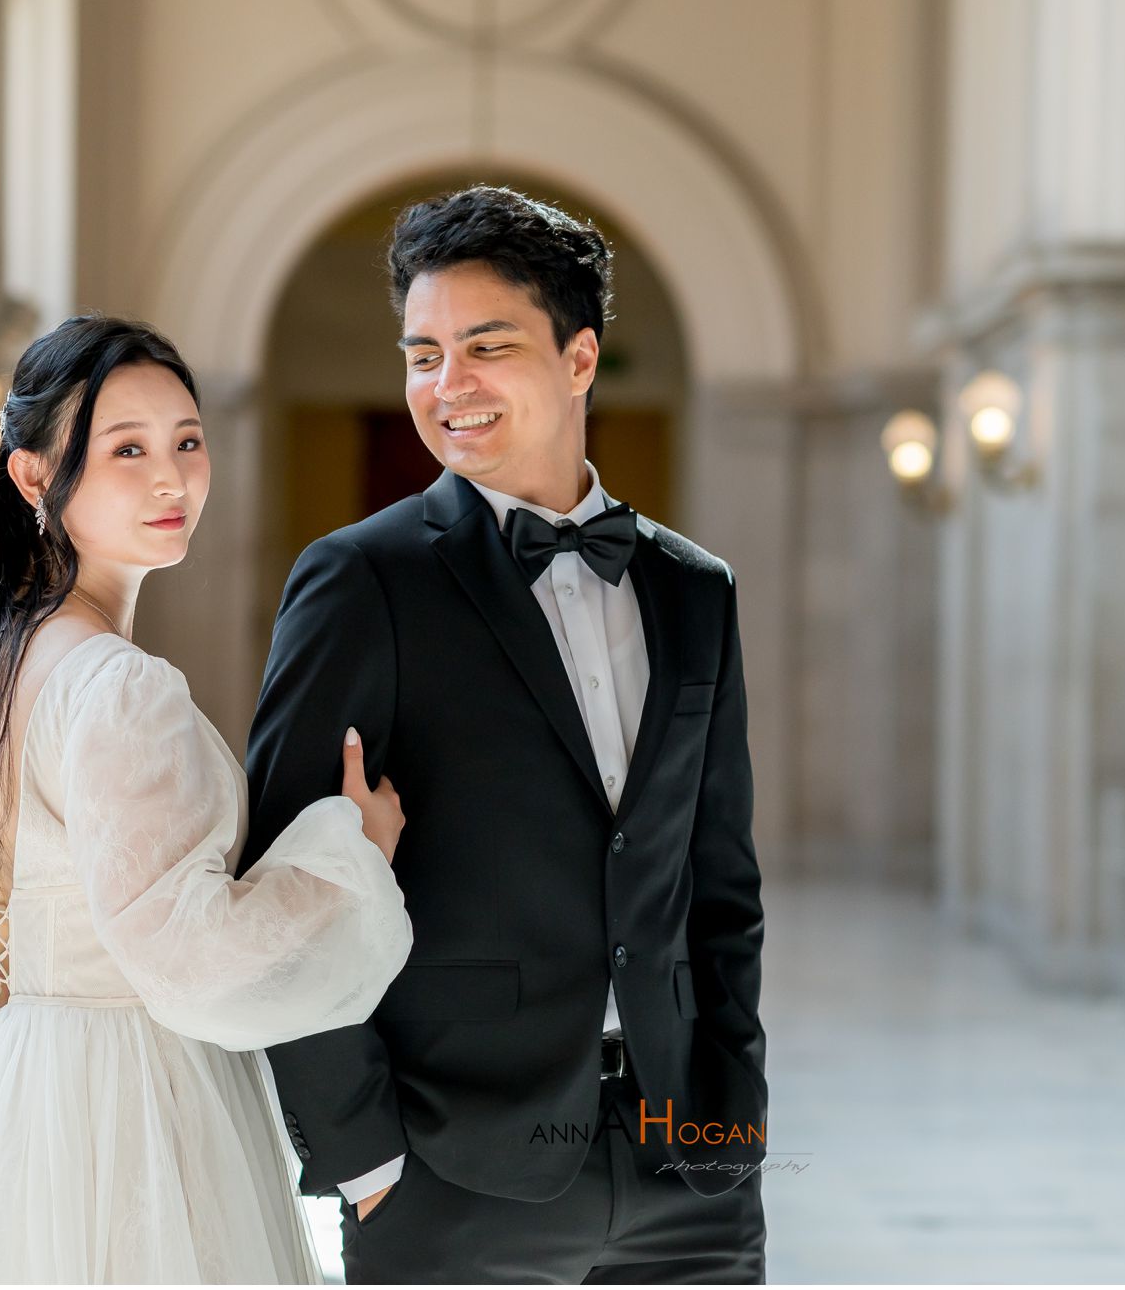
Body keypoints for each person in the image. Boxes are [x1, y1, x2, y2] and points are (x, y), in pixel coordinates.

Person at [0, 314, 413, 1284]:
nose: (170, 479)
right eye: (126, 450)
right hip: (119, 1092)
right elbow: (189, 955)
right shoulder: (117, 685)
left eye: (186, 442)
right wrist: (346, 852)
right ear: (33, 476)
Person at [241, 185, 770, 1282]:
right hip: (449, 1169)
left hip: (689, 1172)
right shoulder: (358, 581)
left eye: (484, 346)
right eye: (421, 352)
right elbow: (282, 887)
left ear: (579, 359)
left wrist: (734, 1112)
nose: (447, 386)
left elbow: (717, 879)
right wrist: (362, 1155)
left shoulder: (692, 590)